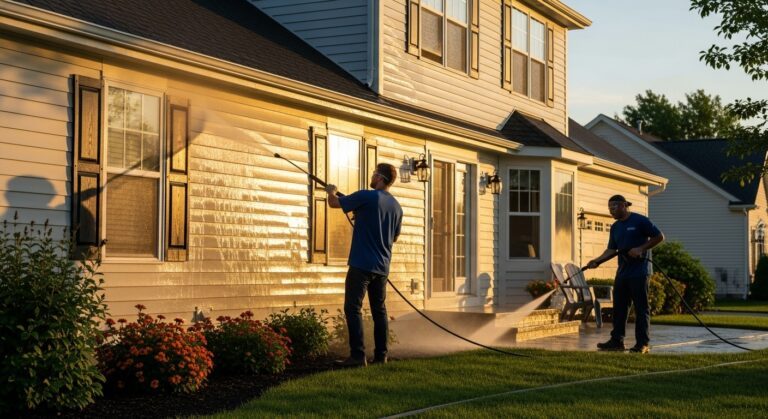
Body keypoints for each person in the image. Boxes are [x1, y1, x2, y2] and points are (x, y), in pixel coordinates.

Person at [326, 163, 403, 367]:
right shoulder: (396, 207)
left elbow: (334, 203)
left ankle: (358, 356)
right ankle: (381, 356)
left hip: (361, 264)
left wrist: (331, 191)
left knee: (353, 308)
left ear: (380, 177)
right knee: (379, 310)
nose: (372, 176)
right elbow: (393, 237)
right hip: (382, 267)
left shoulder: (367, 196)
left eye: (374, 174)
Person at [586, 195, 664, 354]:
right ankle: (616, 341)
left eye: (613, 207)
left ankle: (642, 344)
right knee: (620, 308)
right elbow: (611, 250)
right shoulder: (615, 227)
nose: (611, 211)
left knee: (641, 308)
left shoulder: (640, 221)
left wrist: (641, 249)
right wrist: (597, 261)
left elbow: (659, 237)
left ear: (623, 205)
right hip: (622, 272)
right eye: (609, 208)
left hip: (640, 272)